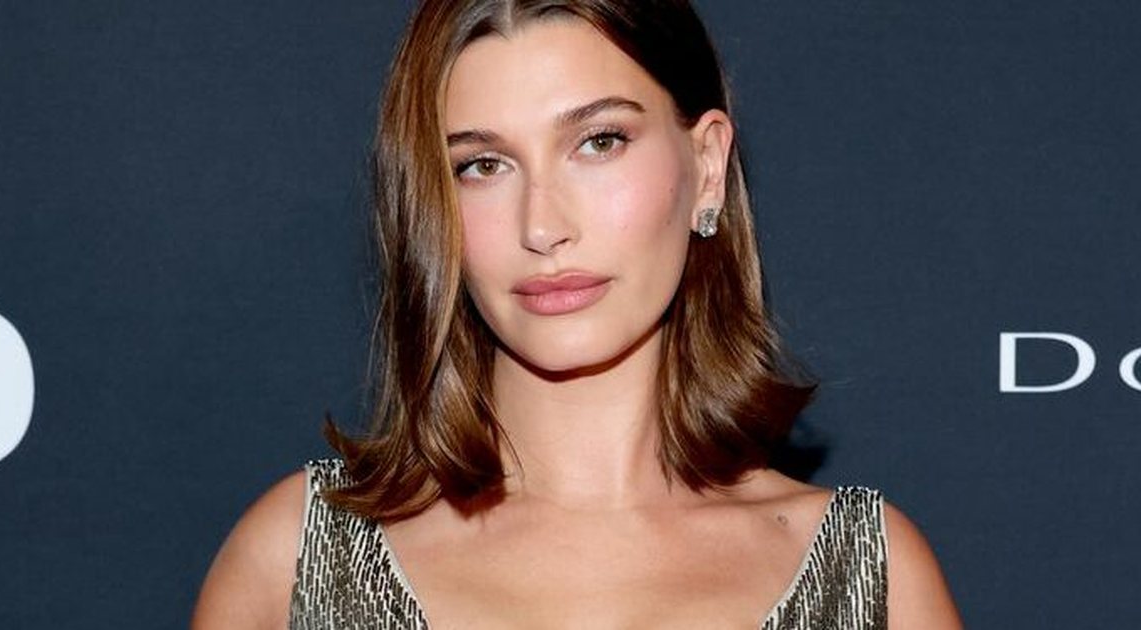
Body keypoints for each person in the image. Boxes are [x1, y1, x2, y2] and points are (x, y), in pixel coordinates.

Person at [192, 1, 962, 628]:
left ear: (706, 166)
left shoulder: (868, 578)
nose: (542, 225)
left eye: (598, 142)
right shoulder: (298, 562)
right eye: (482, 165)